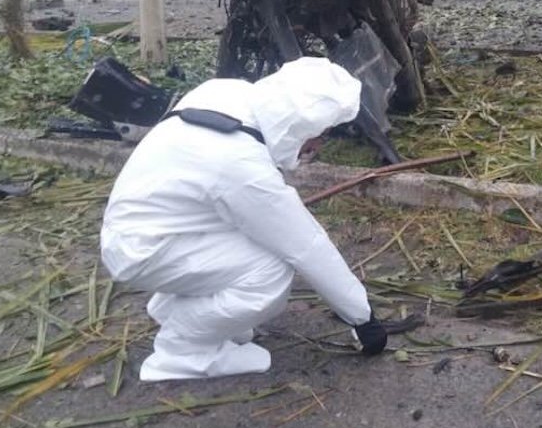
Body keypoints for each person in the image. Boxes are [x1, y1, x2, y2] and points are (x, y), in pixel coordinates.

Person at [100, 57, 387, 382]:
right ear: (297, 125)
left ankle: (179, 313)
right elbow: (305, 245)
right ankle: (183, 350)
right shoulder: (240, 164)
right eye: (321, 133)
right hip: (143, 250)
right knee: (270, 271)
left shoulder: (227, 93)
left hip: (149, 229)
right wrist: (363, 318)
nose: (319, 144)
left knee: (255, 243)